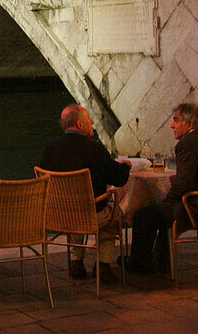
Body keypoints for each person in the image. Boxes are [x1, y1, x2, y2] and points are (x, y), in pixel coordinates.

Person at [125, 102, 198, 274]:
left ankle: (140, 264)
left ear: (190, 124)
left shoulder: (187, 144)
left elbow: (183, 185)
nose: (172, 125)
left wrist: (166, 203)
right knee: (164, 211)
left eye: (176, 120)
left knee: (144, 215)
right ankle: (161, 261)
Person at [39, 104, 131, 281]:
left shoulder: (51, 148)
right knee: (112, 213)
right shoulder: (94, 149)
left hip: (58, 215)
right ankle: (103, 265)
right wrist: (126, 167)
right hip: (90, 214)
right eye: (89, 120)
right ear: (81, 125)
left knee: (75, 207)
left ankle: (76, 262)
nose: (93, 123)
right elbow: (118, 179)